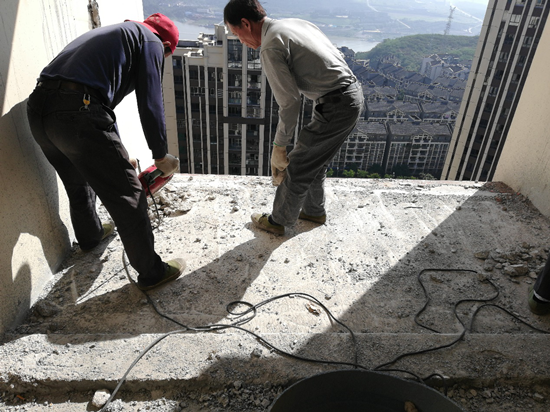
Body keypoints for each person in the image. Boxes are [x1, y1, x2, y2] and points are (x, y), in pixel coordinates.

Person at [27, 14, 185, 291]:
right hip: (77, 111)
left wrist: (119, 151)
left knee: (76, 181)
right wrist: (160, 156)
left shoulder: (119, 34)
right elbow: (150, 102)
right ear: (167, 46)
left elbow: (97, 105)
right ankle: (152, 272)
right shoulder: (152, 41)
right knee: (129, 195)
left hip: (40, 109)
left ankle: (90, 237)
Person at [224, 0, 364, 235]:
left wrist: (280, 145)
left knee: (298, 165)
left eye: (236, 33)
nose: (240, 41)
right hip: (348, 96)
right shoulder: (295, 24)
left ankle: (278, 221)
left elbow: (289, 102)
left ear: (246, 23)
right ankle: (313, 211)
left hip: (337, 104)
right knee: (313, 160)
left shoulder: (270, 46)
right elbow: (334, 55)